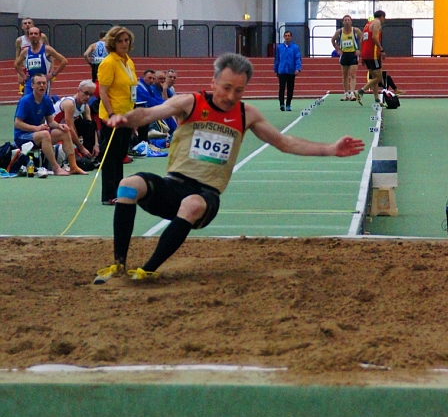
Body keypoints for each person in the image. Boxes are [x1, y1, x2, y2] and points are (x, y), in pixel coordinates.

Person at [93, 52, 365, 283]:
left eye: (238, 90)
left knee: (191, 204)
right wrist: (125, 119)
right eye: (226, 88)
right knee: (128, 185)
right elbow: (148, 114)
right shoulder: (190, 103)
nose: (230, 96)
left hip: (205, 197)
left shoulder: (247, 114)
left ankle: (148, 270)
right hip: (171, 186)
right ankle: (119, 264)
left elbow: (285, 143)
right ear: (213, 82)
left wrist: (330, 148)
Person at [14, 72, 88, 175]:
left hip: (38, 135)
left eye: (44, 83)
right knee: (45, 134)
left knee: (64, 132)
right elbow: (17, 123)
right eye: (39, 83)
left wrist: (59, 125)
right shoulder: (25, 101)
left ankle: (73, 166)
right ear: (32, 85)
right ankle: (55, 168)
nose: (42, 85)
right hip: (22, 136)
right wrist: (36, 128)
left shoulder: (47, 100)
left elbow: (51, 122)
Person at [97, 26, 137, 205]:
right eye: (120, 41)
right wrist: (111, 114)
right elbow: (103, 92)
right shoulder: (109, 63)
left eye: (126, 40)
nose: (124, 44)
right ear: (113, 43)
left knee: (120, 155)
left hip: (126, 116)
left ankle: (119, 191)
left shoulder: (128, 62)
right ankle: (108, 195)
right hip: (112, 117)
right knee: (110, 156)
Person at [14, 26, 68, 96]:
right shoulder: (26, 51)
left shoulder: (47, 49)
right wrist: (23, 75)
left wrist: (53, 74)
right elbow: (16, 64)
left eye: (35, 33)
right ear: (29, 36)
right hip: (31, 80)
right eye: (31, 34)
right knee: (27, 99)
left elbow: (64, 61)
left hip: (43, 80)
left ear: (40, 36)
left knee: (43, 100)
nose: (33, 35)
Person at [53, 80, 99, 159]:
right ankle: (82, 155)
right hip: (54, 129)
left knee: (89, 124)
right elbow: (70, 127)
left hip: (66, 129)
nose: (88, 97)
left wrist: (96, 144)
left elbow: (91, 126)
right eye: (86, 93)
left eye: (90, 95)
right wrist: (81, 148)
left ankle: (89, 155)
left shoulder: (85, 107)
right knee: (71, 129)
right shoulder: (69, 104)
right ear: (78, 91)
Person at [356, 10, 386, 106]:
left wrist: (362, 55)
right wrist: (381, 49)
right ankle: (361, 91)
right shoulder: (377, 22)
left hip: (366, 53)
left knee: (374, 77)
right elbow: (374, 37)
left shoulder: (368, 24)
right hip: (373, 53)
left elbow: (361, 40)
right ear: (382, 16)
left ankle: (377, 99)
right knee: (379, 78)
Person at [331, 15, 363, 101]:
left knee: (353, 75)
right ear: (343, 22)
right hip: (344, 54)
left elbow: (362, 38)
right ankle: (345, 93)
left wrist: (359, 50)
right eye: (345, 20)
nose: (347, 22)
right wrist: (337, 49)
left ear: (351, 21)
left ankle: (352, 93)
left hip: (353, 54)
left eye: (348, 20)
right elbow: (333, 40)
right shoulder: (339, 31)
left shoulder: (355, 30)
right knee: (345, 75)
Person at [274, 30, 301, 111]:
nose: (287, 37)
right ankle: (282, 104)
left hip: (291, 71)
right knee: (281, 88)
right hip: (282, 70)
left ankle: (288, 104)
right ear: (284, 37)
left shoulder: (295, 47)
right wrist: (276, 69)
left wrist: (297, 68)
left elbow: (297, 58)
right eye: (286, 35)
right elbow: (277, 59)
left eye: (289, 36)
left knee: (290, 88)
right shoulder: (280, 47)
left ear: (291, 37)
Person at [136, 69, 158, 142]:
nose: (151, 80)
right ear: (144, 77)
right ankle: (143, 141)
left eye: (153, 79)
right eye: (149, 78)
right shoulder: (140, 87)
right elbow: (150, 101)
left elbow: (156, 98)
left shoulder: (150, 87)